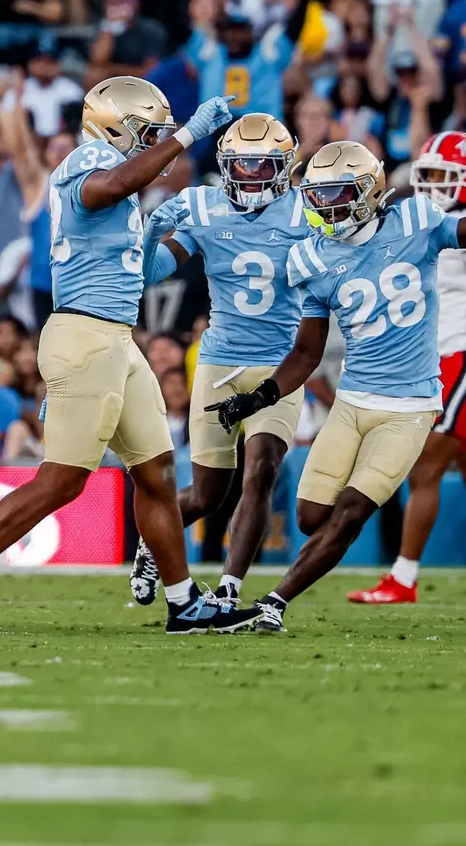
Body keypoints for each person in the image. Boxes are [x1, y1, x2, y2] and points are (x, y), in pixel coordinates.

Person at [0, 78, 261, 634]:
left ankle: (182, 601)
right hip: (85, 337)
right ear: (112, 127)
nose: (154, 145)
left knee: (156, 472)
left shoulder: (121, 187)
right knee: (63, 480)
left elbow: (143, 274)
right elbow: (107, 185)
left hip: (118, 339)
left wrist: (167, 238)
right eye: (146, 134)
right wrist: (191, 135)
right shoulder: (88, 161)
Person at [214, 143, 466, 633]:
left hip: (409, 404)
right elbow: (307, 353)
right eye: (317, 194)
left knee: (351, 512)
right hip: (351, 401)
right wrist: (261, 396)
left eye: (336, 192)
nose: (325, 205)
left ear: (369, 192)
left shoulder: (417, 221)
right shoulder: (311, 257)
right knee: (311, 516)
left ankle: (273, 603)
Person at [136, 114, 312, 610]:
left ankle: (230, 590)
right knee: (207, 494)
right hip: (220, 363)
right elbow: (151, 273)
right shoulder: (202, 206)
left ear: (284, 165)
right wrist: (151, 232)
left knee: (262, 470)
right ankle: (151, 545)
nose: (252, 174)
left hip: (281, 364)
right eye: (243, 164)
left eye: (263, 164)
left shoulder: (307, 211)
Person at [348, 133, 466, 604]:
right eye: (429, 176)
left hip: (459, 355)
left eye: (444, 176)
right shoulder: (420, 221)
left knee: (424, 465)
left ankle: (403, 577)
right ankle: (403, 577)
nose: (434, 186)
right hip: (433, 358)